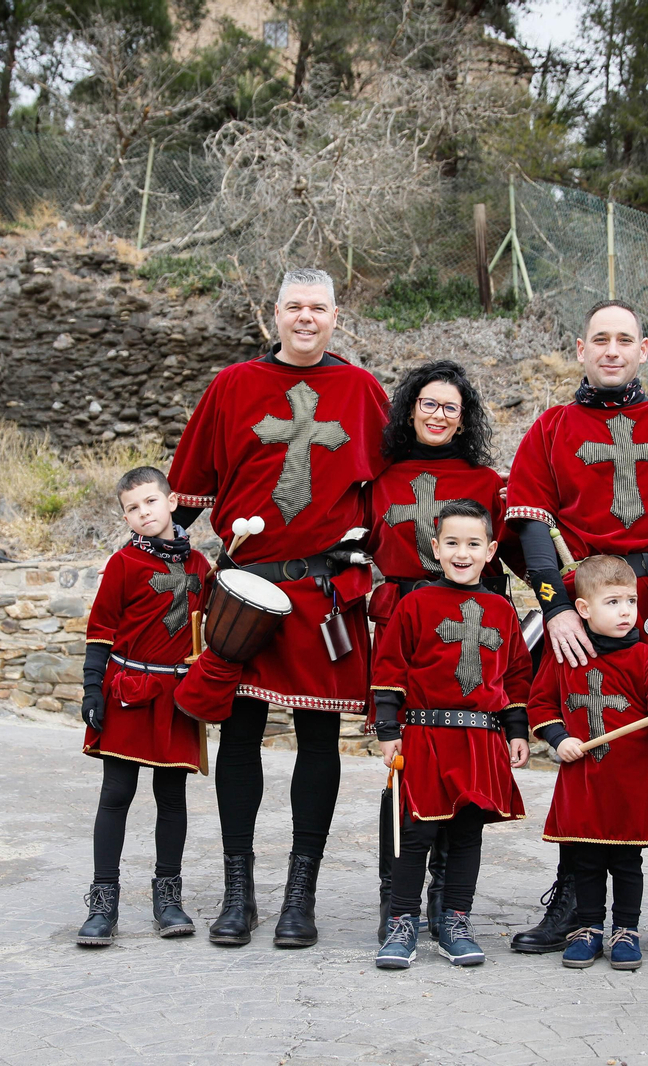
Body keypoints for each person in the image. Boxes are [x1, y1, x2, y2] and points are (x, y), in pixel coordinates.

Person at [167, 267, 389, 948]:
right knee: (239, 737)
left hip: (323, 594)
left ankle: (300, 898)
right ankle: (239, 894)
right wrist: (156, 562)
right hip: (244, 589)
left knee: (318, 740)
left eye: (317, 307)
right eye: (294, 306)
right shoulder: (233, 386)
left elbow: (394, 487)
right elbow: (187, 494)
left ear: (335, 316)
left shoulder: (362, 391)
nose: (305, 318)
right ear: (275, 314)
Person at [504, 299, 648, 964]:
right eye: (600, 339)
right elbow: (532, 528)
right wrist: (556, 607)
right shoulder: (551, 429)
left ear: (644, 349)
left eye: (625, 339)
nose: (612, 350)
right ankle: (573, 904)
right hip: (584, 615)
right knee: (585, 756)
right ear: (581, 348)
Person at [363, 359, 508, 942]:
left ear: (464, 417)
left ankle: (448, 902)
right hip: (404, 628)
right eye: (429, 404)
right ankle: (395, 900)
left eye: (451, 407)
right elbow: (354, 544)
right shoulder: (380, 478)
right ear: (410, 410)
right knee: (405, 770)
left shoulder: (486, 482)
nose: (439, 415)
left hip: (467, 633)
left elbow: (510, 555)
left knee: (461, 772)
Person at [370, 500, 532, 969]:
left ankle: (455, 921)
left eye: (474, 544)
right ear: (436, 547)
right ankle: (402, 923)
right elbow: (390, 666)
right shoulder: (415, 604)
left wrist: (516, 730)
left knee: (466, 833)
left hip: (481, 738)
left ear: (491, 551)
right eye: (453, 543)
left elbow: (516, 676)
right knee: (415, 832)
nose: (463, 553)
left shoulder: (502, 610)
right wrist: (388, 727)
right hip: (425, 735)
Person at [526, 555, 648, 971]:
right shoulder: (565, 657)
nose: (625, 611)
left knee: (628, 861)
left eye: (630, 601)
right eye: (612, 602)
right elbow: (541, 705)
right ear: (583, 608)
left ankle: (626, 930)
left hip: (630, 780)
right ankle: (588, 929)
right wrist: (560, 739)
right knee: (587, 860)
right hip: (584, 777)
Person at [75, 467, 211, 946]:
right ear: (126, 517)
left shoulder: (201, 567)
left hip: (177, 696)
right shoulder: (123, 563)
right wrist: (92, 688)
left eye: (151, 501)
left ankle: (168, 898)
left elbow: (215, 626)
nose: (144, 513)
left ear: (172, 502)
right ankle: (102, 902)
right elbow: (100, 631)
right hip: (127, 690)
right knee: (116, 793)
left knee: (171, 797)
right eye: (132, 508)